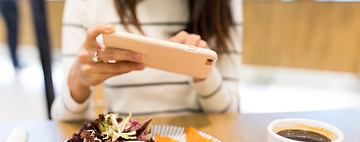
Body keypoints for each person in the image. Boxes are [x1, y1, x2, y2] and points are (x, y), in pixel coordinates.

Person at [51, 0, 243, 121]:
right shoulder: (85, 4)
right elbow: (62, 118)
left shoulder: (222, 4)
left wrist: (203, 73)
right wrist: (78, 81)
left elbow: (230, 114)